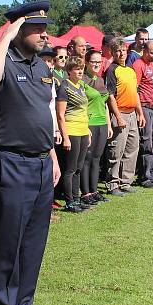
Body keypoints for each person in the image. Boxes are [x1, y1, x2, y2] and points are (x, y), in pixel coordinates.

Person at [0, 0, 61, 305]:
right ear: (18, 29)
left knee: (33, 245)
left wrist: (52, 154)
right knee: (7, 245)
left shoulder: (41, 65)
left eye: (45, 28)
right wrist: (7, 33)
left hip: (41, 163)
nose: (45, 34)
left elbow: (43, 113)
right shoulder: (2, 62)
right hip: (10, 164)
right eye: (37, 28)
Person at [104, 38, 145, 195]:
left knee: (132, 149)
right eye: (118, 51)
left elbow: (135, 93)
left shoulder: (130, 70)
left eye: (123, 50)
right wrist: (118, 117)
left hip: (132, 113)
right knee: (116, 151)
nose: (122, 53)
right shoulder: (112, 70)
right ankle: (113, 183)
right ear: (113, 53)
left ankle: (126, 181)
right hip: (120, 114)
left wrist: (140, 113)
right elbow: (110, 96)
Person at [56, 56, 91, 212]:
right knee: (70, 169)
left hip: (83, 130)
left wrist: (88, 130)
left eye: (81, 68)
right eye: (77, 69)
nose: (80, 71)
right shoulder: (65, 87)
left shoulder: (81, 86)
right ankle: (69, 201)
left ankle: (77, 199)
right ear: (69, 71)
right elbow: (60, 115)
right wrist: (65, 137)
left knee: (78, 168)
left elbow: (84, 110)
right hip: (71, 130)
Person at [81, 51, 112, 205]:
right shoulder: (82, 80)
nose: (96, 65)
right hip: (90, 123)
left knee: (97, 158)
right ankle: (85, 193)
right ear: (86, 62)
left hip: (102, 123)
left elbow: (105, 103)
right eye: (93, 62)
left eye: (99, 62)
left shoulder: (100, 79)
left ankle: (94, 191)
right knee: (87, 158)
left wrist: (109, 124)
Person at [133, 41, 153, 187]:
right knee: (147, 144)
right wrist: (139, 112)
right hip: (144, 107)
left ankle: (152, 173)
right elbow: (135, 89)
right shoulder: (138, 65)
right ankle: (144, 176)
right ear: (144, 51)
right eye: (152, 52)